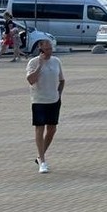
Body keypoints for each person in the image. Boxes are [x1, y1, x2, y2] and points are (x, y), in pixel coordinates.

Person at [25, 38, 64, 173]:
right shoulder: (33, 62)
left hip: (54, 100)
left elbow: (62, 80)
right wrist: (40, 65)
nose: (49, 52)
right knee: (39, 129)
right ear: (40, 50)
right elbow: (31, 80)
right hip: (39, 100)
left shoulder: (56, 61)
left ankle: (39, 155)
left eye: (50, 49)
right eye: (46, 49)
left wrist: (59, 94)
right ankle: (42, 160)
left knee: (52, 130)